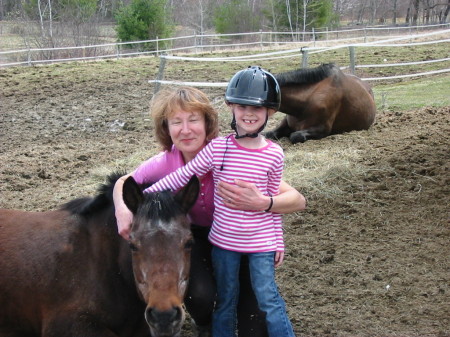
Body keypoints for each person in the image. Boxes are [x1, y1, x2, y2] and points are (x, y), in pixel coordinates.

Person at [113, 85, 306, 337]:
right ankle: (203, 323)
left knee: (254, 321)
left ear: (207, 123)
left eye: (193, 120)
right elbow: (123, 182)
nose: (185, 130)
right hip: (192, 238)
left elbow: (297, 199)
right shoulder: (165, 162)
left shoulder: (229, 153)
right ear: (166, 128)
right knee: (203, 296)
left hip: (239, 238)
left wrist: (263, 203)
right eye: (176, 122)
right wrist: (122, 210)